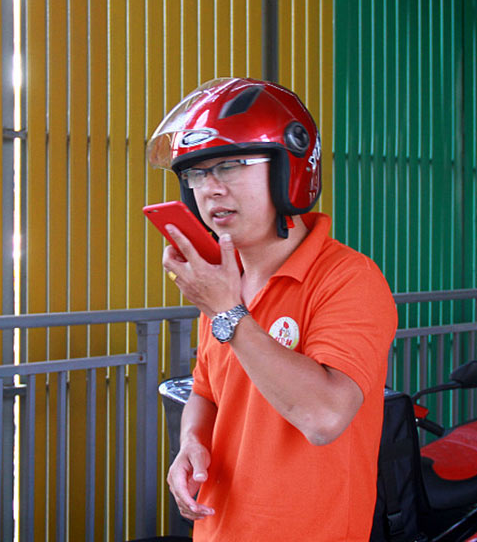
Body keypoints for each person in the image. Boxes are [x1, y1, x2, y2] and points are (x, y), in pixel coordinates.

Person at [147, 78, 397, 541]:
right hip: (218, 528)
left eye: (231, 165)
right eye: (197, 173)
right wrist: (190, 443)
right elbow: (206, 390)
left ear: (291, 171)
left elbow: (324, 417)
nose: (210, 189)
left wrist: (226, 311)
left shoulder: (348, 278)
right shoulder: (225, 279)